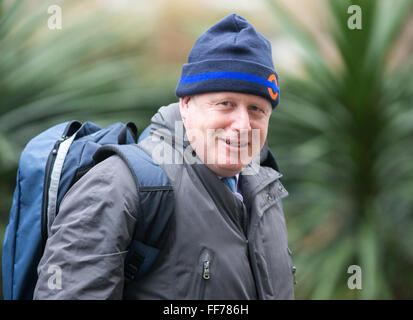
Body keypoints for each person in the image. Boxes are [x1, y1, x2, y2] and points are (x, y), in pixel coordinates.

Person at [34, 13, 295, 300]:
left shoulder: (264, 188)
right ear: (186, 105)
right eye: (225, 104)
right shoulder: (118, 185)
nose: (243, 125)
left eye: (257, 109)